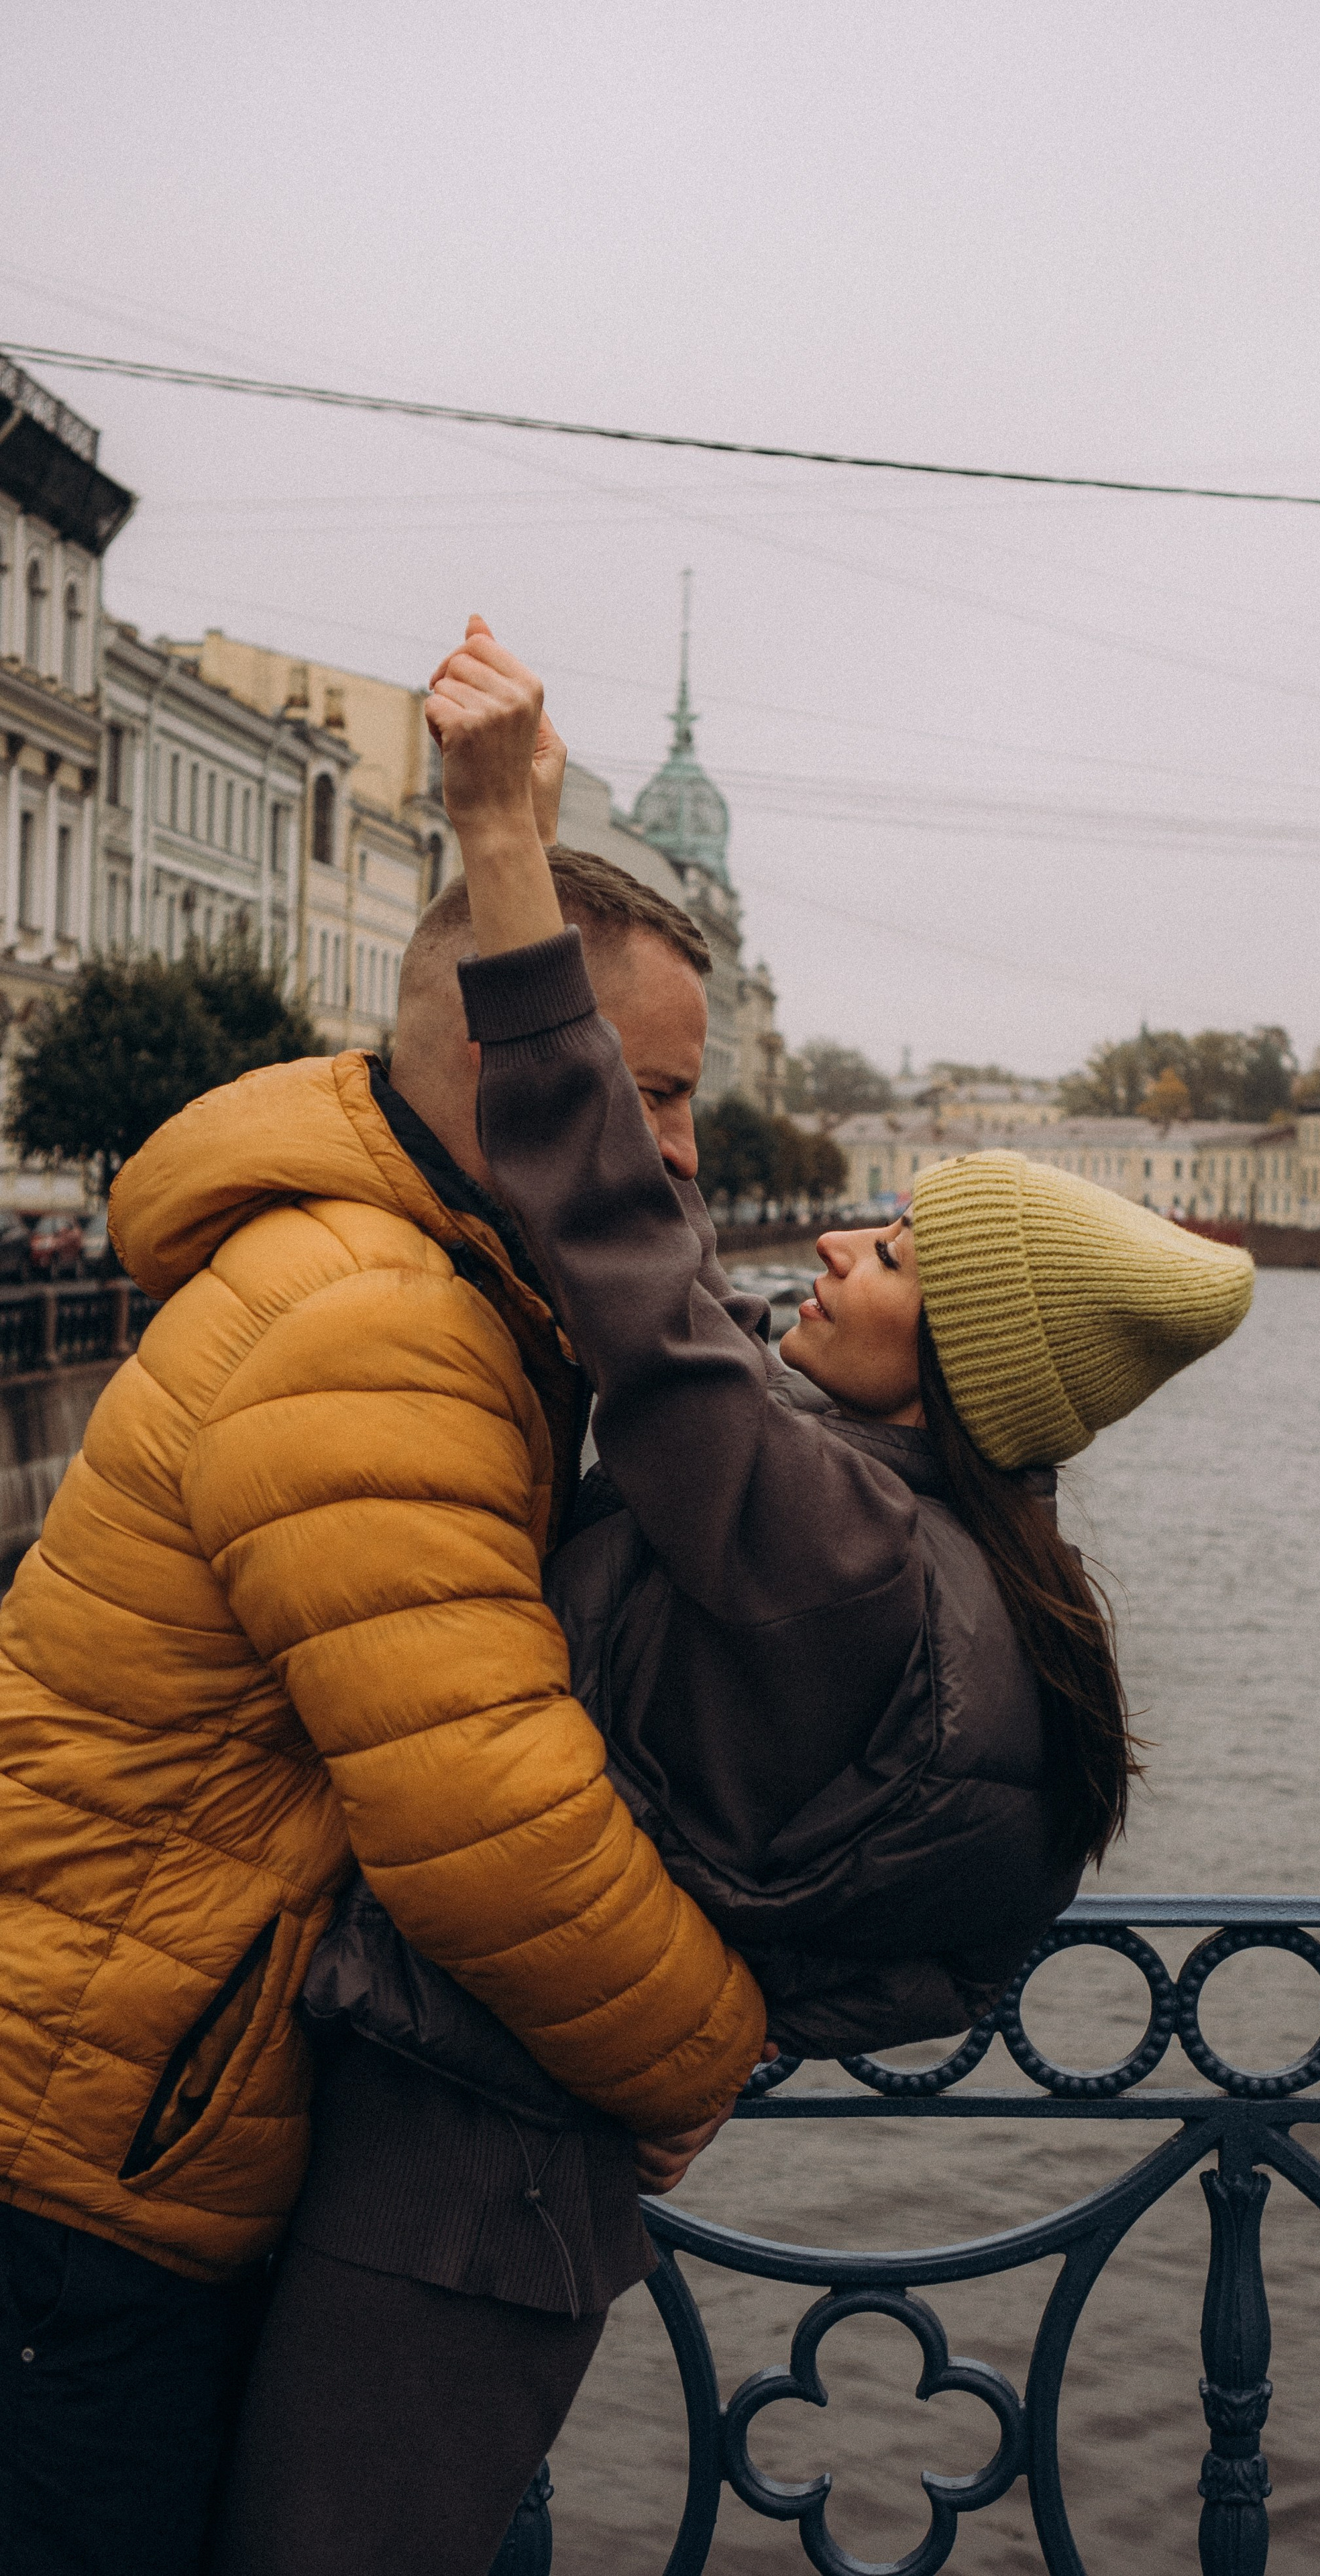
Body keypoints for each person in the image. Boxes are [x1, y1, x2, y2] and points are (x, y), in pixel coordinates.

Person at [295, 619, 1254, 2571]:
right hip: (514, 2163)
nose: (828, 1240)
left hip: (450, 2173)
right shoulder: (947, 1564)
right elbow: (929, 1928)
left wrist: (505, 855)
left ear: (961, 1359)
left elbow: (624, 1256)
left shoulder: (830, 1546)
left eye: (892, 1253)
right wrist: (723, 2023)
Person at [0, 680, 765, 2576]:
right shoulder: (384, 1327)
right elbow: (486, 1822)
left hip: (106, 2098)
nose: (683, 1150)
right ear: (520, 1067)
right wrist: (703, 2050)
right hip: (77, 2156)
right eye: (656, 1093)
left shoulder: (422, 1281)